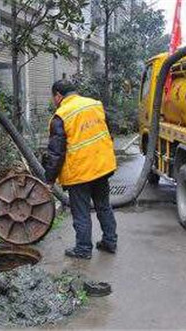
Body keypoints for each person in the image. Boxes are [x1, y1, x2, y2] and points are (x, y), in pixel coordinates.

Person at [42, 80, 118, 259]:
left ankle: (83, 249)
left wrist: (49, 180)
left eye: (54, 97)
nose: (54, 101)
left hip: (80, 173)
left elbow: (56, 152)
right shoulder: (95, 104)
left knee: (81, 211)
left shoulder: (61, 115)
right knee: (104, 206)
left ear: (58, 95)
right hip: (102, 167)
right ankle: (110, 242)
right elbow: (109, 130)